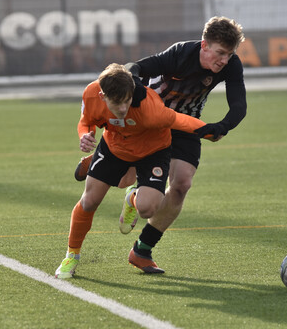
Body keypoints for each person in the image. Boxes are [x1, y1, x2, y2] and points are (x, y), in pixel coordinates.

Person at [73, 16, 247, 274]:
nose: (223, 60)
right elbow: (133, 67)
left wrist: (222, 127)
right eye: (220, 53)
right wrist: (139, 91)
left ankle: (142, 249)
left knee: (182, 185)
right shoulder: (180, 54)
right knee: (121, 180)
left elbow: (239, 105)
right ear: (204, 46)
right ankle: (109, 165)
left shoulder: (231, 65)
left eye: (229, 54)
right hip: (148, 123)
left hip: (184, 124)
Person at [55, 63, 219, 279]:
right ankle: (72, 256)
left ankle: (133, 198)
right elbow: (86, 121)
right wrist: (85, 135)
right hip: (114, 146)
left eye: (127, 101)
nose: (123, 108)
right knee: (89, 201)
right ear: (103, 96)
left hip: (153, 151)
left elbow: (180, 121)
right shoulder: (91, 94)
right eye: (116, 103)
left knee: (148, 209)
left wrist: (211, 131)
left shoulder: (151, 108)